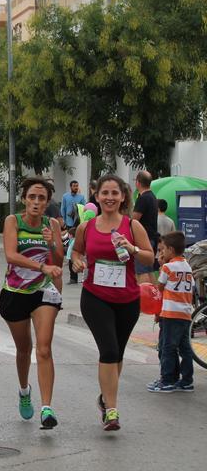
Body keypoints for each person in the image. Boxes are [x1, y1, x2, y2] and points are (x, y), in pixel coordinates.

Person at [71, 174, 155, 431]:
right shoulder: (87, 227)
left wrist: (132, 248)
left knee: (117, 353)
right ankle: (112, 410)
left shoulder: (132, 226)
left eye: (114, 193)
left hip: (127, 299)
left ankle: (105, 397)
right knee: (108, 350)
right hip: (95, 297)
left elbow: (150, 258)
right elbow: (76, 251)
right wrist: (76, 261)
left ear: (123, 197)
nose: (109, 197)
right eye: (104, 193)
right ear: (97, 196)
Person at [0, 178, 64, 429]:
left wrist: (51, 243)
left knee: (44, 348)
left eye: (42, 198)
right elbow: (11, 255)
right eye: (32, 197)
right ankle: (24, 390)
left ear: (47, 202)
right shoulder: (13, 221)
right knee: (24, 349)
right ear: (24, 199)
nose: (36, 202)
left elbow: (59, 260)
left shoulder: (52, 224)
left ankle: (47, 408)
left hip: (43, 291)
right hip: (15, 292)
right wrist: (41, 265)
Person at [148, 232, 195, 393]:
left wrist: (162, 265)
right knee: (185, 348)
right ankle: (187, 380)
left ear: (171, 250)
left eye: (164, 250)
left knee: (167, 347)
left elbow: (159, 287)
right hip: (185, 314)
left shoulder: (168, 267)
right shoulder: (187, 266)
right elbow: (191, 286)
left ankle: (167, 380)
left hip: (171, 313)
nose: (162, 253)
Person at [133, 171, 159, 284]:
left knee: (141, 271)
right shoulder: (152, 197)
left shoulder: (143, 198)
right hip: (152, 238)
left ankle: (143, 293)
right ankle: (154, 293)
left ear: (138, 182)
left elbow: (134, 219)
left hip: (143, 239)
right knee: (149, 270)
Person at [61, 181, 86, 284]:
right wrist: (64, 221)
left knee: (77, 248)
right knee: (71, 248)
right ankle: (73, 277)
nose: (76, 187)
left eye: (77, 186)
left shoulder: (81, 197)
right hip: (69, 225)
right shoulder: (65, 196)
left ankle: (83, 276)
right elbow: (63, 209)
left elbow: (84, 209)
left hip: (79, 225)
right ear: (70, 186)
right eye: (74, 186)